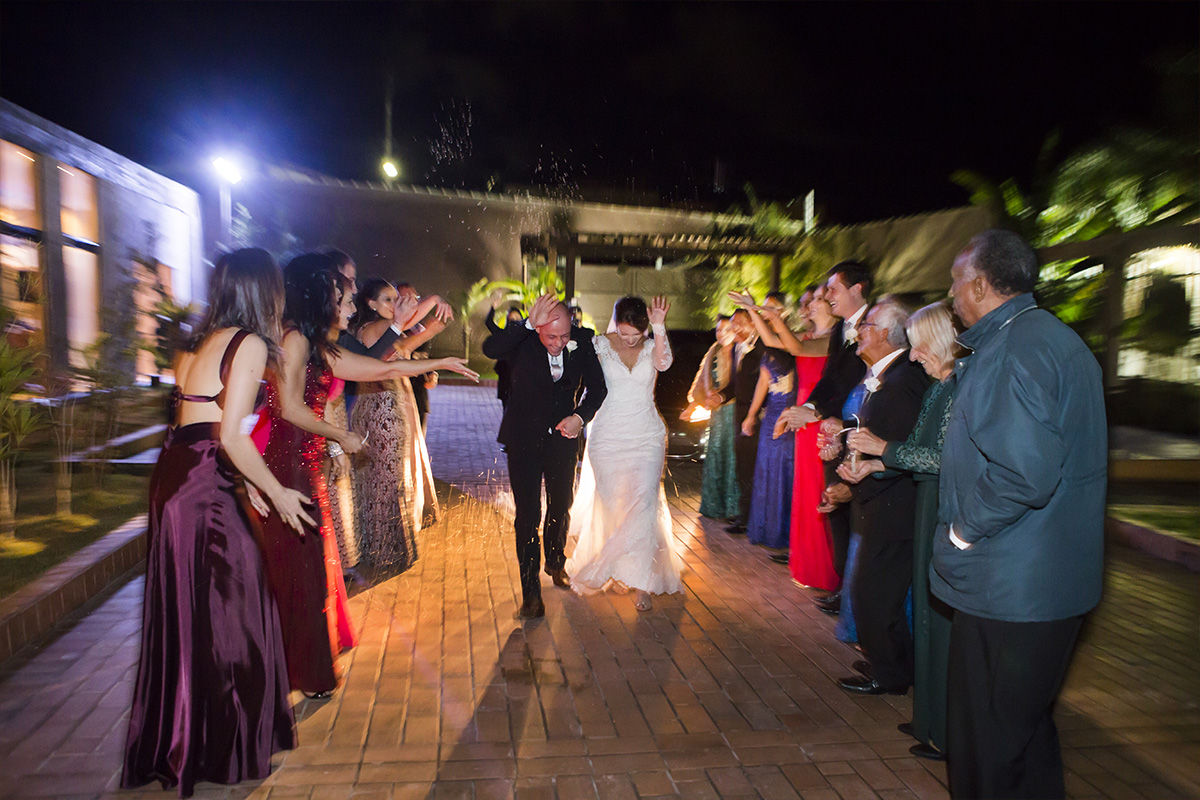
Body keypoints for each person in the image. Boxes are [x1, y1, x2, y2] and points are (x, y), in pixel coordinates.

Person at [931, 230, 1106, 799]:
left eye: (956, 282)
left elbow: (1023, 474)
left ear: (980, 284)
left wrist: (962, 530)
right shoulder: (1053, 337)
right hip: (1044, 585)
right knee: (1025, 740)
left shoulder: (1010, 350)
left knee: (985, 747)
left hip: (1010, 585)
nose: (953, 296)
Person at [123, 249, 303, 797]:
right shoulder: (246, 344)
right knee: (235, 607)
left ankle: (185, 739)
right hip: (202, 482)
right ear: (260, 291)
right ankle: (227, 742)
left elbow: (197, 424)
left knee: (192, 609)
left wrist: (246, 482)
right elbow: (228, 435)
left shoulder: (204, 340)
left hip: (178, 475)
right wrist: (275, 488)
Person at [258, 255, 476, 696]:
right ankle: (294, 667)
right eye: (342, 293)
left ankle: (303, 664)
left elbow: (384, 367)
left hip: (306, 463)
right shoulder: (295, 339)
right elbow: (289, 407)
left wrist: (444, 362)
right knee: (299, 570)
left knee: (313, 568)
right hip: (285, 464)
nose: (349, 299)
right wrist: (341, 436)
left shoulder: (318, 344)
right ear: (319, 294)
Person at [838, 301, 960, 761]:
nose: (912, 354)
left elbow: (938, 454)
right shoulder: (936, 384)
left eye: (920, 344)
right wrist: (870, 457)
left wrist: (879, 454)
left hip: (918, 505)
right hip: (911, 498)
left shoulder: (942, 386)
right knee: (915, 611)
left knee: (895, 600)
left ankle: (913, 693)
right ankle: (925, 711)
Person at [823, 299, 927, 697]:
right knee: (877, 595)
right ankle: (895, 664)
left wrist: (854, 484)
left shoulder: (903, 382)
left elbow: (896, 447)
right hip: (882, 502)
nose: (858, 331)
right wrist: (842, 436)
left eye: (865, 325)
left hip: (893, 506)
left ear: (885, 334)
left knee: (872, 596)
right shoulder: (889, 377)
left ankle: (890, 673)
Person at [482, 292, 608, 620]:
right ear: (538, 328)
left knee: (560, 504)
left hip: (563, 440)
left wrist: (580, 416)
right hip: (522, 439)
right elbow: (490, 349)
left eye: (564, 336)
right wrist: (525, 324)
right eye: (551, 336)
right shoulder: (521, 339)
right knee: (528, 514)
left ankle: (555, 560)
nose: (558, 343)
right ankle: (531, 594)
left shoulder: (582, 342)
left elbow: (598, 388)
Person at [566, 296, 684, 612]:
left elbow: (664, 363)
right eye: (625, 332)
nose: (631, 339)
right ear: (615, 322)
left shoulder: (652, 343)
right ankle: (620, 570)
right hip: (607, 438)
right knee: (614, 505)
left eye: (637, 333)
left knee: (644, 506)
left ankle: (642, 583)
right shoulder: (598, 344)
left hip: (646, 436)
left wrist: (658, 326)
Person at [777, 261, 872, 614]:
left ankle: (854, 599)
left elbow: (855, 382)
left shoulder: (875, 325)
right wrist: (812, 407)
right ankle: (843, 591)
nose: (827, 295)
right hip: (834, 431)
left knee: (855, 518)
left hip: (861, 430)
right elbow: (831, 380)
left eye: (832, 288)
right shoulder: (840, 331)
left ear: (857, 289)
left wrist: (815, 413)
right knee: (836, 513)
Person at [350, 277, 452, 573]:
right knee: (387, 481)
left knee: (380, 480)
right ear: (371, 304)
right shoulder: (373, 328)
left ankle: (378, 546)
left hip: (380, 407)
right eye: (389, 300)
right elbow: (408, 324)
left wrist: (434, 321)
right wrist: (432, 299)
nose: (397, 306)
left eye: (397, 300)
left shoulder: (375, 329)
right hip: (381, 410)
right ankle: (387, 550)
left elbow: (412, 335)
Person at [737, 292, 797, 550]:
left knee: (785, 471)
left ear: (785, 312)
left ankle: (784, 535)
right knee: (765, 470)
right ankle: (765, 529)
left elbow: (798, 381)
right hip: (771, 410)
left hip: (788, 411)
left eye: (771, 308)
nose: (764, 312)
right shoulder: (767, 341)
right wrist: (751, 415)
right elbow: (763, 380)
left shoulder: (794, 341)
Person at [689, 315, 739, 521]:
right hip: (717, 413)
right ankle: (714, 506)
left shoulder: (739, 352)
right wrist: (698, 402)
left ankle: (733, 508)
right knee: (716, 454)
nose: (721, 334)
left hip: (734, 411)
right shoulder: (713, 351)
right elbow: (702, 382)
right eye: (718, 330)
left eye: (726, 330)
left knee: (732, 457)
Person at [723, 307, 762, 535]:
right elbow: (735, 385)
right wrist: (720, 395)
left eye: (740, 323)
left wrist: (755, 414)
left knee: (752, 470)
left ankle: (749, 519)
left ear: (754, 323)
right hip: (739, 416)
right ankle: (744, 516)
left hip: (755, 418)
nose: (734, 328)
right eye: (733, 324)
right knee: (743, 469)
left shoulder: (760, 349)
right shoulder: (737, 348)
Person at [486, 304, 526, 411]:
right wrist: (493, 308)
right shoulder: (503, 335)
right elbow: (489, 323)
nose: (514, 322)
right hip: (506, 380)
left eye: (517, 319)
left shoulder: (526, 336)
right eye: (511, 319)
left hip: (521, 381)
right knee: (507, 408)